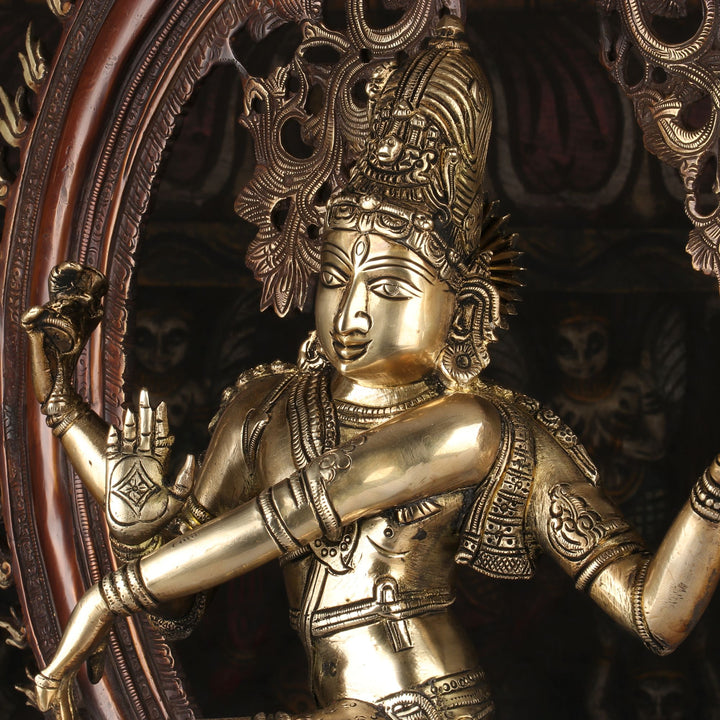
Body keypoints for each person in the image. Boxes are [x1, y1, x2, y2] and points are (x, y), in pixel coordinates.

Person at [21, 17, 720, 720]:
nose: (351, 316)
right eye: (335, 277)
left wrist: (715, 491)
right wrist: (123, 502)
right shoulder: (265, 409)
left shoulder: (471, 429)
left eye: (388, 288)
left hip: (427, 704)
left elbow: (654, 613)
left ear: (464, 311)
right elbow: (181, 598)